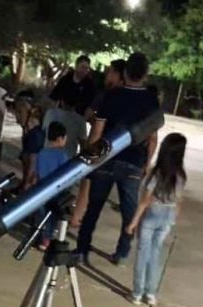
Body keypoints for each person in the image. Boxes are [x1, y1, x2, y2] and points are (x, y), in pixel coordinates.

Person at [76, 52, 160, 266]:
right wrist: (147, 164)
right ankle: (122, 253)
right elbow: (152, 138)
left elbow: (97, 131)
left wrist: (89, 157)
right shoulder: (151, 100)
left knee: (93, 208)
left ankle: (81, 250)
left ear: (125, 72)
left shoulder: (112, 96)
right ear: (146, 74)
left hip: (106, 158)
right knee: (129, 212)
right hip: (133, 162)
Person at [125, 133, 187, 305]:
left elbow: (145, 200)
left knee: (143, 253)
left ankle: (137, 293)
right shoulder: (181, 175)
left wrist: (133, 222)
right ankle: (150, 293)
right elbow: (178, 200)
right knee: (155, 254)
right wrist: (174, 220)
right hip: (168, 215)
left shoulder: (156, 173)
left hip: (152, 214)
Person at [72, 58, 127, 227]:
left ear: (118, 75)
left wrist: (88, 148)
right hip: (119, 148)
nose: (106, 75)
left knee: (87, 183)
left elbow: (92, 120)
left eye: (110, 71)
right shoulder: (127, 97)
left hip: (99, 147)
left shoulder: (106, 95)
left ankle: (77, 217)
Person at [34, 121, 71, 249]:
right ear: (60, 139)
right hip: (56, 191)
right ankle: (46, 240)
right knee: (52, 216)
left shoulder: (42, 153)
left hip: (42, 188)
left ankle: (38, 237)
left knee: (41, 214)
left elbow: (37, 173)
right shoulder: (63, 155)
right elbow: (65, 175)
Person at [13, 92, 45, 190]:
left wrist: (27, 185)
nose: (17, 117)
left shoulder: (35, 134)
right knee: (24, 156)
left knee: (30, 158)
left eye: (20, 112)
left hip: (35, 180)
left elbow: (33, 161)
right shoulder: (28, 130)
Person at [43, 95, 87, 160]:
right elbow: (83, 144)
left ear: (61, 101)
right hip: (68, 162)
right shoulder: (80, 120)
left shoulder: (50, 113)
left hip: (46, 157)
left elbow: (44, 131)